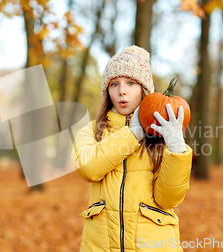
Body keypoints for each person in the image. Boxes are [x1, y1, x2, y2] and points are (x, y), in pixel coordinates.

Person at [71, 45, 193, 252]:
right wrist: (133, 134)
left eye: (131, 83)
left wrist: (176, 147)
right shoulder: (91, 131)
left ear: (144, 89)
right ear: (107, 91)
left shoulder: (160, 136)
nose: (122, 91)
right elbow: (88, 168)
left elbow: (169, 199)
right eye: (114, 84)